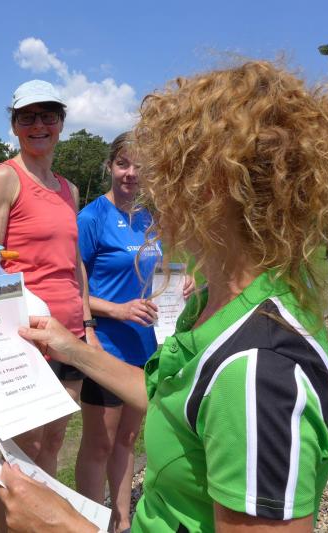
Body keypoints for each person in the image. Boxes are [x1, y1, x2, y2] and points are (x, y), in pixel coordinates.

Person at [0, 60, 328, 532]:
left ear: (209, 192)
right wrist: (74, 348)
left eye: (167, 172)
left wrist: (64, 526)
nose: (152, 189)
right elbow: (169, 398)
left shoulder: (257, 372)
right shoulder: (222, 305)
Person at [0, 79, 98, 476]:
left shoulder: (69, 190)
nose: (38, 125)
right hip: (24, 338)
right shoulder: (2, 179)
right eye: (27, 117)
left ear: (61, 122)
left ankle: (46, 510)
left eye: (47, 116)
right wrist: (2, 340)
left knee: (54, 441)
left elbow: (73, 263)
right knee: (23, 453)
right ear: (14, 125)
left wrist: (87, 326)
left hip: (69, 335)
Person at [77, 132, 188, 532]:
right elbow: (73, 289)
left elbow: (160, 274)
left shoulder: (148, 219)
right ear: (110, 166)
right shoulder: (90, 218)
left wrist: (182, 281)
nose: (131, 173)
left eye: (140, 166)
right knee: (99, 444)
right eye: (123, 164)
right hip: (107, 347)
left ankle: (121, 521)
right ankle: (91, 523)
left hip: (145, 346)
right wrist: (117, 310)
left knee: (126, 439)